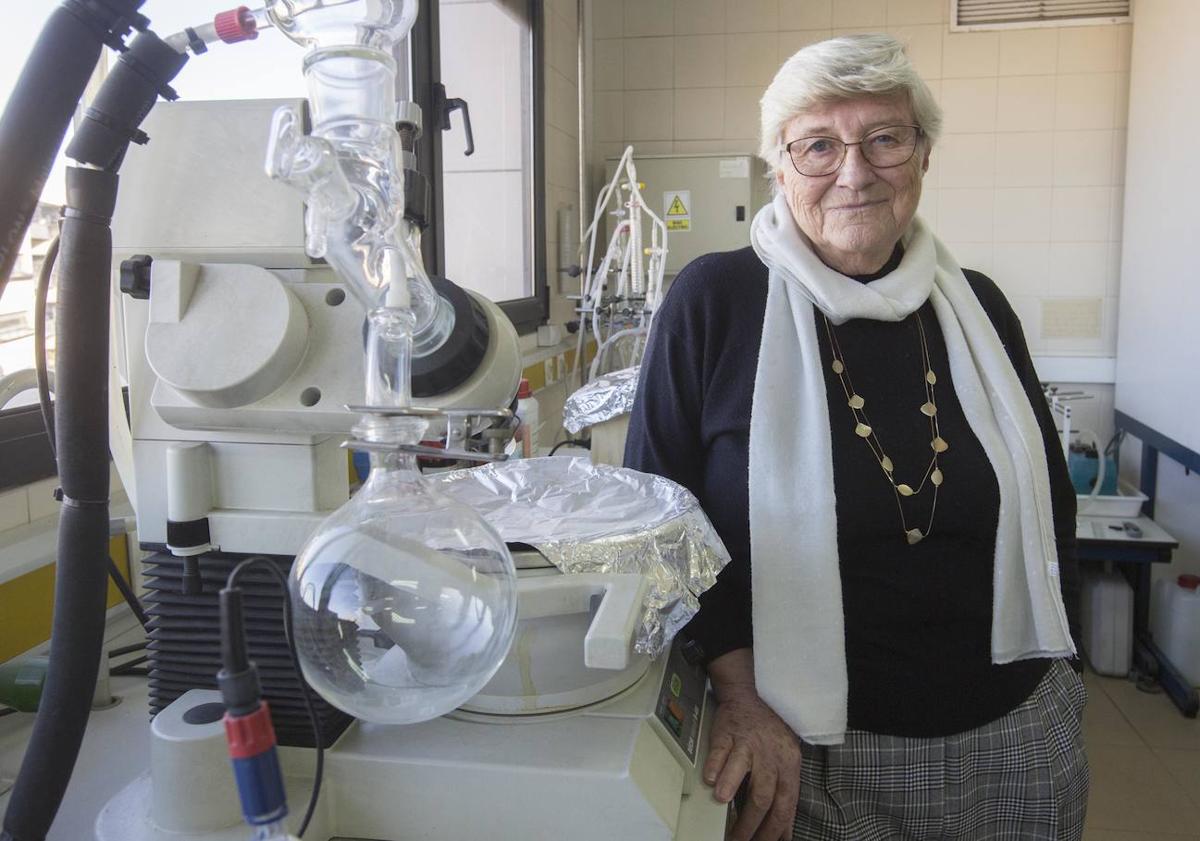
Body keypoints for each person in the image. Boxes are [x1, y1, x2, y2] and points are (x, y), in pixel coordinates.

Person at [624, 34, 1087, 841]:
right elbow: (658, 524)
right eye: (818, 146)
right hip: (808, 747)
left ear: (923, 156)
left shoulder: (979, 306)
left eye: (885, 137)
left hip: (1016, 729)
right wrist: (738, 693)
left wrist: (1069, 680)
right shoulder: (715, 302)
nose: (854, 170)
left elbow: (1052, 496)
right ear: (779, 166)